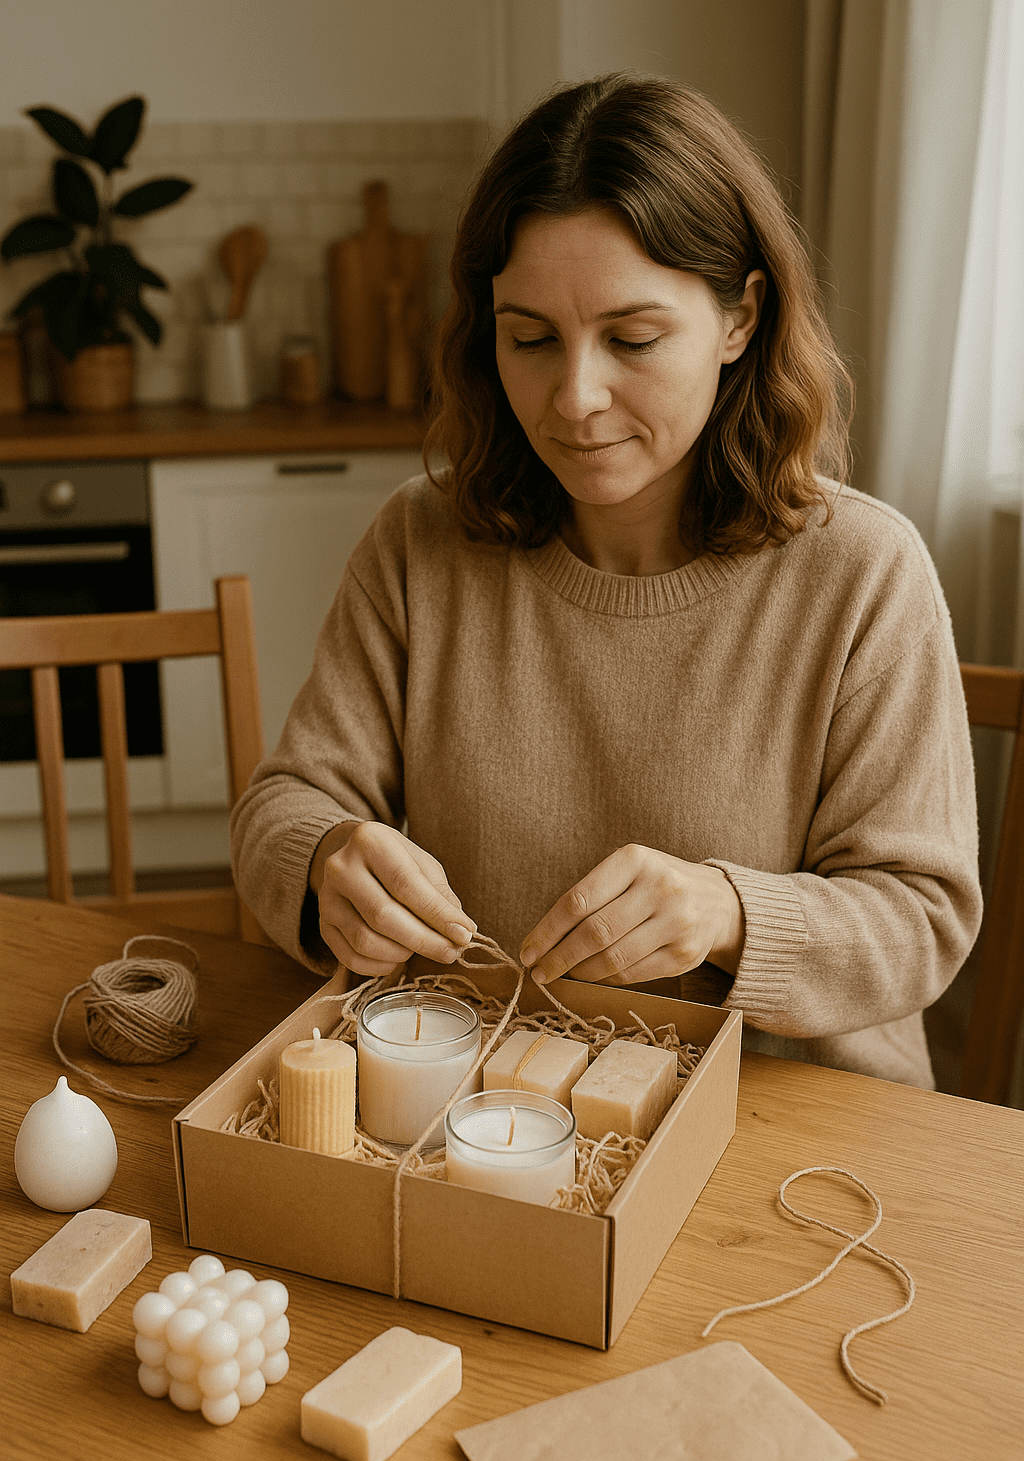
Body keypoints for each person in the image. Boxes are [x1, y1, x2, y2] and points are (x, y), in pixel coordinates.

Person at [231, 73, 982, 1089]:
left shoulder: (863, 574)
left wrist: (730, 912)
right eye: (529, 339)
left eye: (631, 339)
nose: (574, 397)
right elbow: (287, 803)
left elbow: (923, 919)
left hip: (793, 1129)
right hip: (490, 1108)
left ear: (738, 321)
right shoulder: (421, 541)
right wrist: (324, 861)